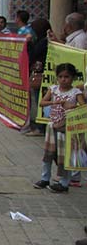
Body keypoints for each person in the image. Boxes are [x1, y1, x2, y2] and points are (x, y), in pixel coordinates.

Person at [32, 63, 85, 193]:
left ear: (72, 78)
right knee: (48, 154)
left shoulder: (76, 92)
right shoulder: (53, 89)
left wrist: (72, 107)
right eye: (60, 76)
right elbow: (42, 103)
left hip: (67, 129)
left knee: (64, 156)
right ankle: (45, 178)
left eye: (66, 77)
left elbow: (83, 109)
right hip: (52, 126)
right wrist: (53, 102)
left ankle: (64, 183)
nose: (63, 79)